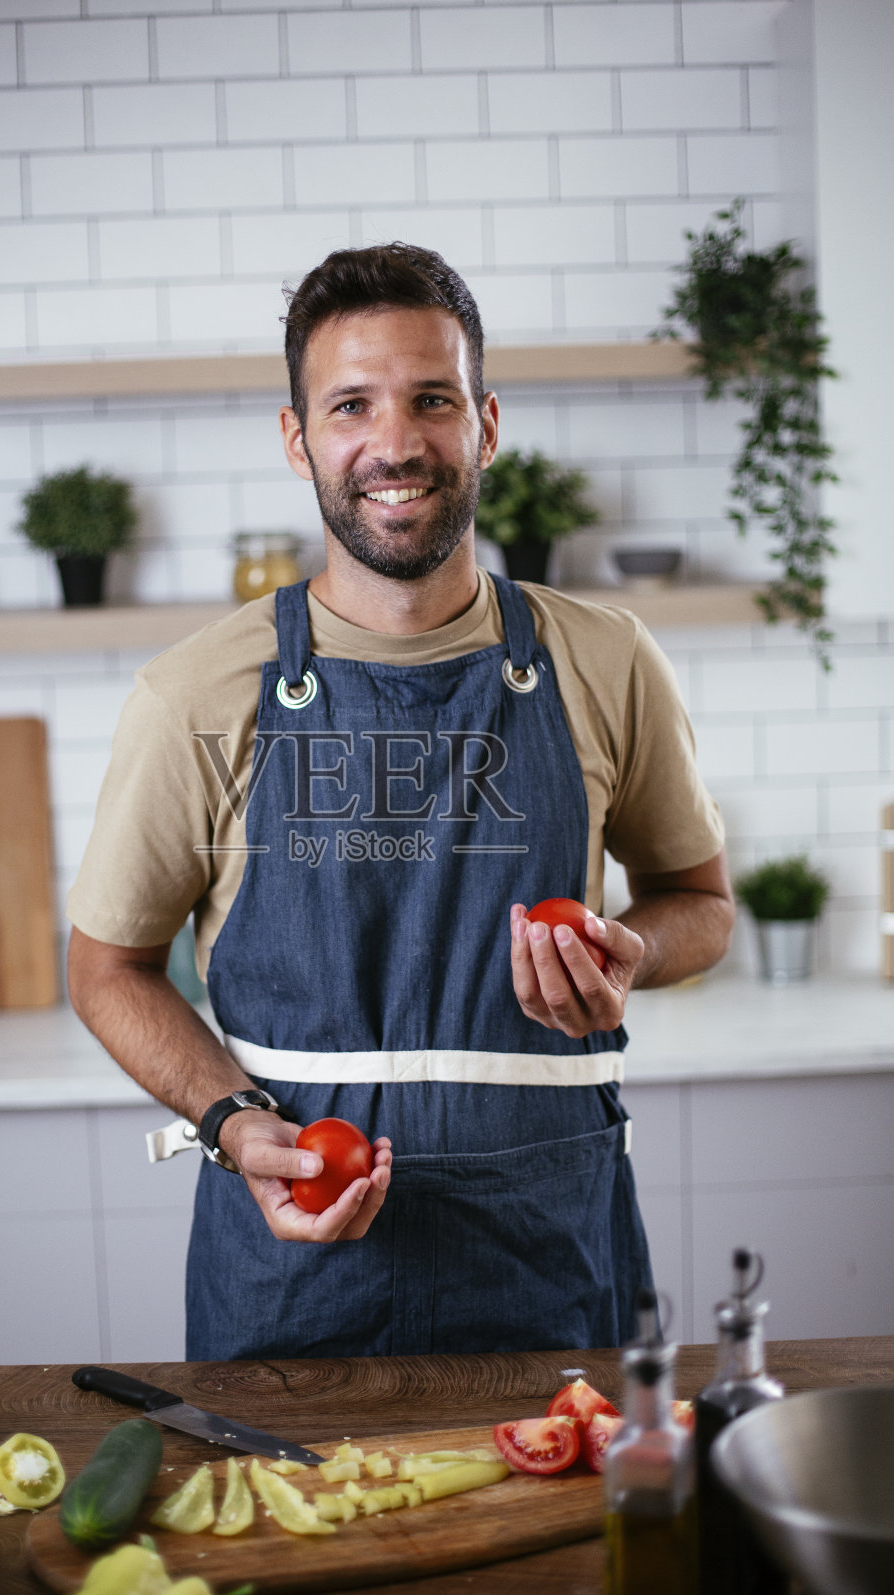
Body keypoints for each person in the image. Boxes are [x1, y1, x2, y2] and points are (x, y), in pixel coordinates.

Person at [67, 243, 734, 1361]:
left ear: (483, 422)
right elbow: (104, 969)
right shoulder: (195, 692)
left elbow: (698, 903)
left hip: (548, 1253)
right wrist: (232, 1122)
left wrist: (628, 951)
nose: (395, 442)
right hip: (292, 1270)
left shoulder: (605, 659)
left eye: (431, 398)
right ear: (297, 439)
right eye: (350, 405)